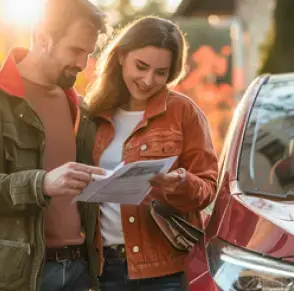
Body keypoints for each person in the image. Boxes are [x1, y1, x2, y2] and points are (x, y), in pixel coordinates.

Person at [0, 0, 107, 290]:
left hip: (79, 270)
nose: (82, 64)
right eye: (76, 50)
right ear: (42, 37)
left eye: (88, 54)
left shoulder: (79, 106)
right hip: (16, 277)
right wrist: (40, 185)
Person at [77, 16, 219, 291]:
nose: (147, 80)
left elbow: (208, 188)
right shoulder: (92, 115)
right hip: (105, 267)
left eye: (160, 72)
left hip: (165, 268)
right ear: (121, 56)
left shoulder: (183, 113)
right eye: (141, 67)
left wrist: (181, 182)